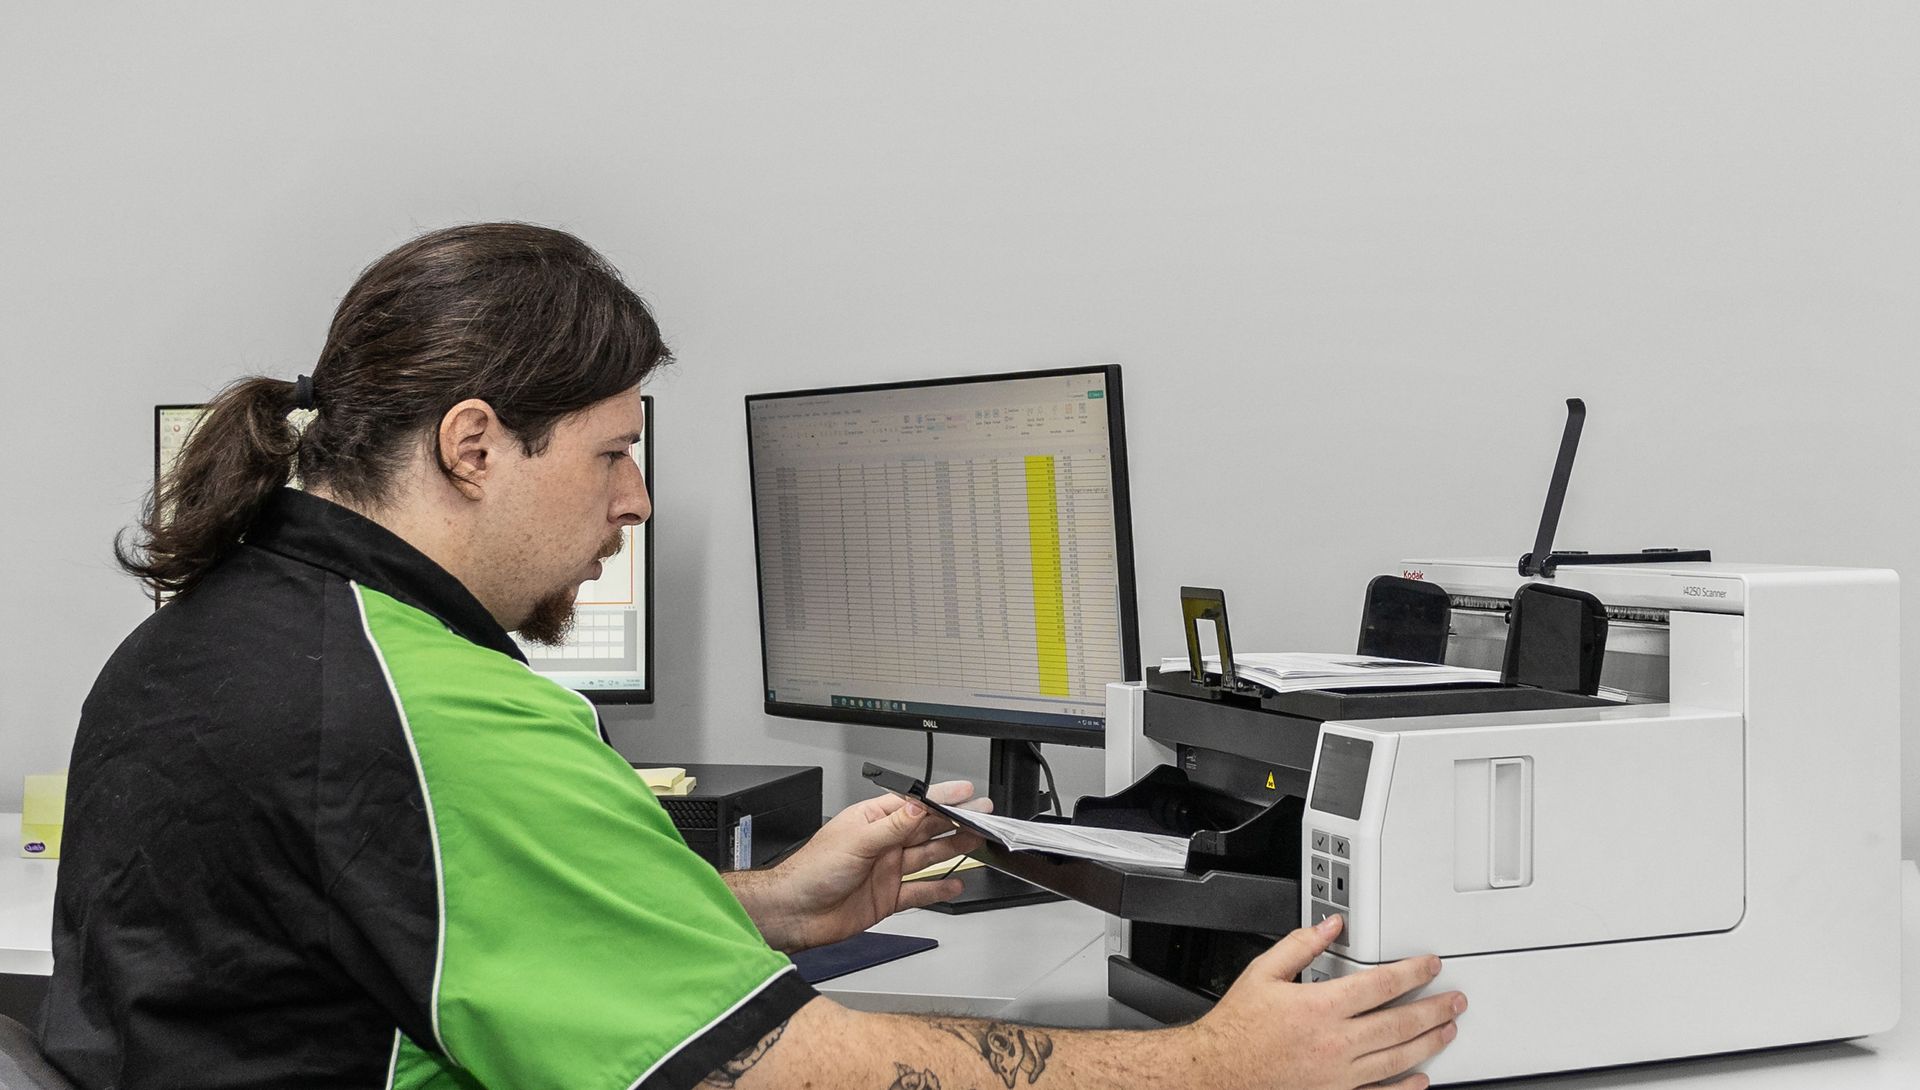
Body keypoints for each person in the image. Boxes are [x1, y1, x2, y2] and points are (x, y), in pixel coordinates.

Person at [43, 223, 1463, 1090]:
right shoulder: (427, 712)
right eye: (613, 453)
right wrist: (1213, 1064)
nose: (638, 499)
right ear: (475, 444)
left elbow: (412, 923)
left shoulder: (213, 634)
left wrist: (762, 905)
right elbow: (790, 1070)